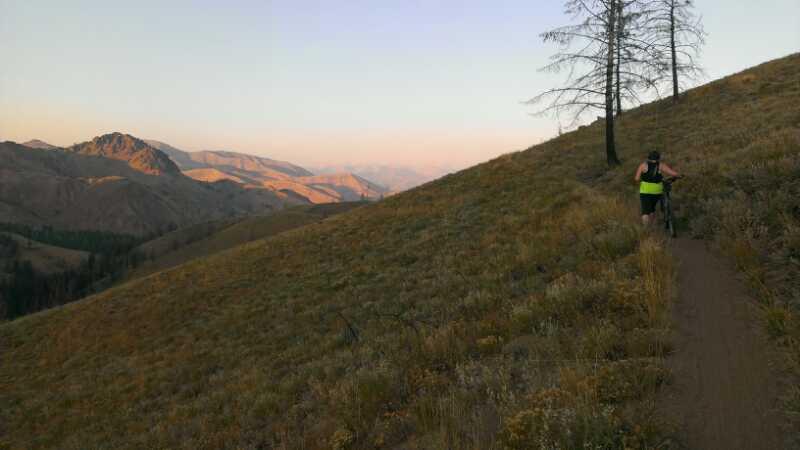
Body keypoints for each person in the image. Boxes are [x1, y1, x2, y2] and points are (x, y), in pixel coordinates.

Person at [634, 151, 680, 227]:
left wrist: (643, 179)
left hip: (645, 191)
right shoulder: (661, 165)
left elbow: (636, 178)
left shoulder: (643, 165)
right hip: (657, 191)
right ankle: (652, 226)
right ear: (658, 158)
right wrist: (679, 175)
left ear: (648, 158)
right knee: (652, 209)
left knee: (645, 212)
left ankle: (646, 230)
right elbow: (673, 173)